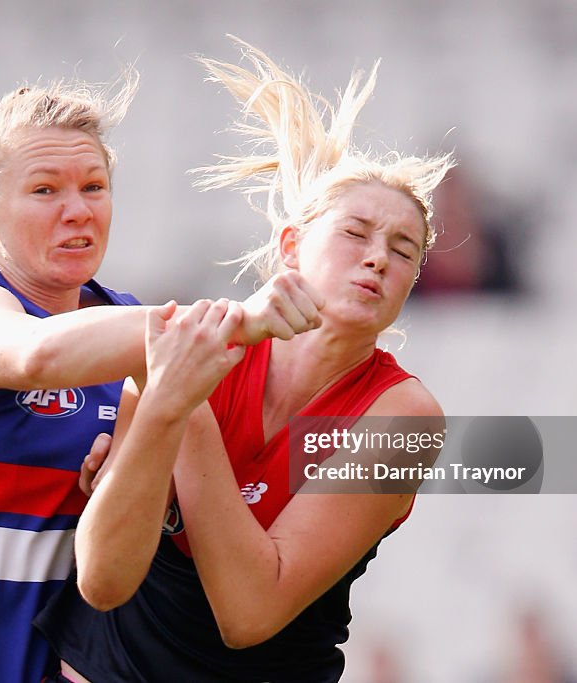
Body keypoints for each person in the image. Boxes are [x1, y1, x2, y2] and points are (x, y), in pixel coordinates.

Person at [0, 71, 322, 683]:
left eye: (94, 186)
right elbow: (36, 356)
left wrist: (138, 477)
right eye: (45, 190)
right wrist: (235, 319)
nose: (77, 210)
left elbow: (118, 571)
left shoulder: (135, 340)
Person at [35, 39, 455, 682]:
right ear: (291, 247)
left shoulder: (404, 416)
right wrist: (143, 452)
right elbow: (102, 576)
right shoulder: (196, 342)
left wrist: (184, 414)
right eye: (355, 233)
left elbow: (250, 612)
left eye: (404, 251)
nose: (378, 258)